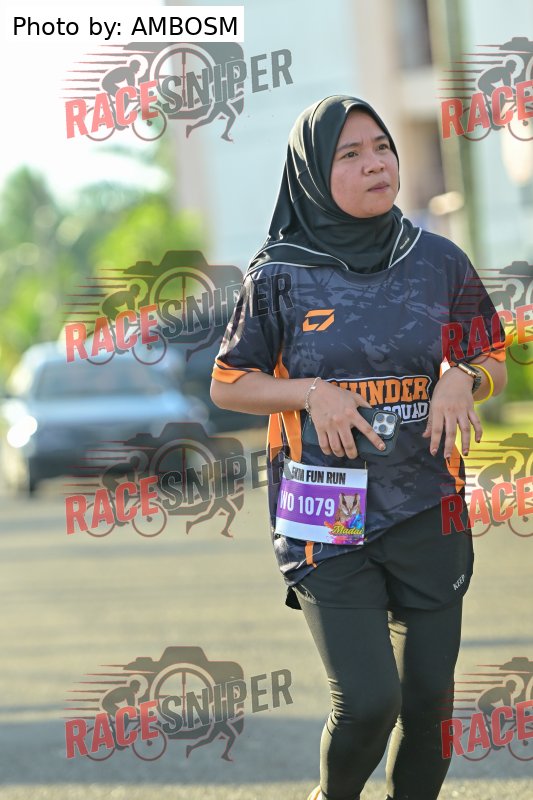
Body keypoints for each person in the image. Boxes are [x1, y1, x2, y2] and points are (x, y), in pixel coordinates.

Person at [210, 96, 507, 800]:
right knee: (370, 702)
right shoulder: (277, 274)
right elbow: (229, 384)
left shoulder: (437, 260)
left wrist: (463, 378)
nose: (375, 163)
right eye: (350, 154)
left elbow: (491, 355)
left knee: (430, 709)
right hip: (324, 513)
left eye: (382, 147)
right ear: (313, 173)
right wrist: (311, 393)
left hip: (428, 502)